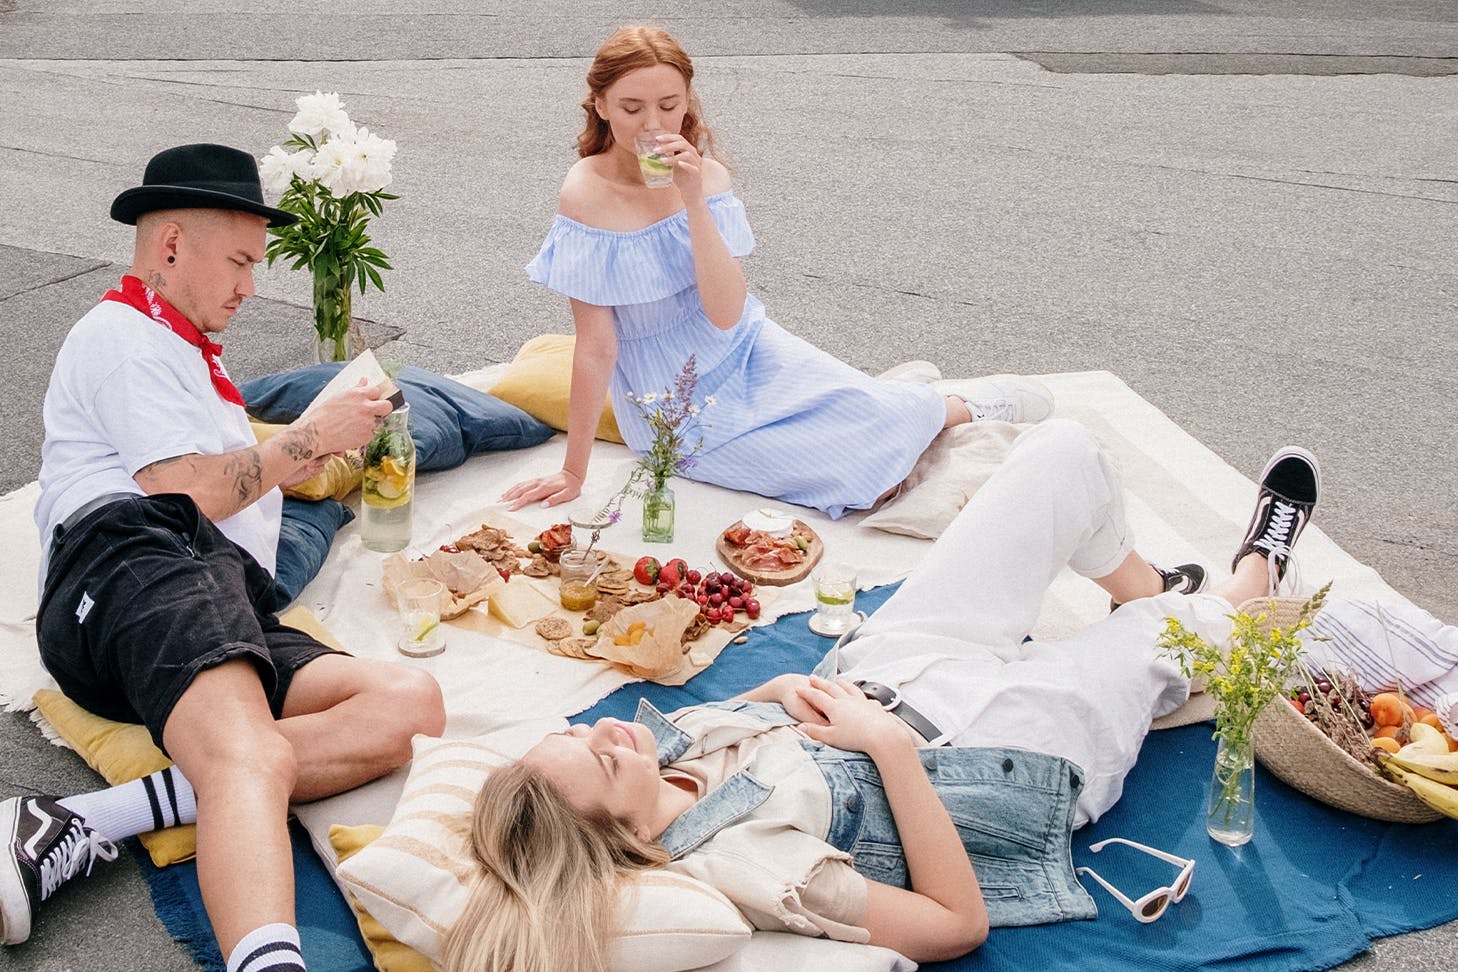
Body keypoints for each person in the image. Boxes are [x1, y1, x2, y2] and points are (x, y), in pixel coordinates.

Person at [444, 420, 1324, 970]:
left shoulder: (648, 763)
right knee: (1150, 645)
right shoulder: (741, 868)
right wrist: (889, 749)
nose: (610, 735)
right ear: (628, 835)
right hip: (1001, 757)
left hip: (894, 663)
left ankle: (1146, 588)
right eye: (600, 761)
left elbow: (748, 719)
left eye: (585, 734)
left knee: (1061, 454)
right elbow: (954, 926)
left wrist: (782, 688)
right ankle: (1252, 581)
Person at [0, 144, 446, 971]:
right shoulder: (121, 335)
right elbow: (183, 491)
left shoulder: (178, 348)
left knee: (407, 703)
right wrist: (311, 438)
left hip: (206, 589)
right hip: (133, 562)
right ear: (170, 246)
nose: (250, 285)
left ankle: (97, 818)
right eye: (241, 260)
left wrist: (305, 456)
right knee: (245, 753)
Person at [502, 25, 1055, 518]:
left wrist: (692, 200)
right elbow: (596, 345)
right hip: (666, 394)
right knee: (864, 480)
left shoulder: (707, 177)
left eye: (670, 105)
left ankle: (953, 405)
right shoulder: (585, 192)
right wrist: (574, 472)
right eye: (631, 108)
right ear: (599, 104)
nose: (653, 123)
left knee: (882, 427)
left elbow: (726, 314)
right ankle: (892, 402)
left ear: (687, 100)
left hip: (745, 348)